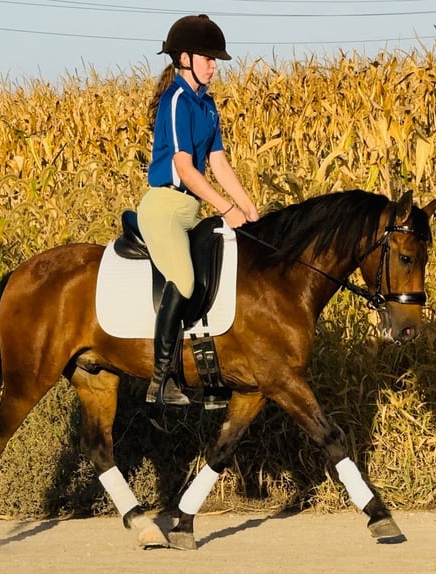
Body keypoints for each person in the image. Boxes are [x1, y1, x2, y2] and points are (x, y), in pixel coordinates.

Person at [138, 14, 259, 407]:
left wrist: (249, 208)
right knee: (186, 281)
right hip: (165, 208)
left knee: (226, 271)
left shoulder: (207, 105)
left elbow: (219, 163)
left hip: (191, 209)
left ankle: (212, 373)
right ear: (185, 58)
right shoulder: (176, 101)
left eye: (215, 59)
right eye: (208, 57)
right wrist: (225, 208)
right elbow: (186, 168)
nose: (214, 65)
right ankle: (161, 379)